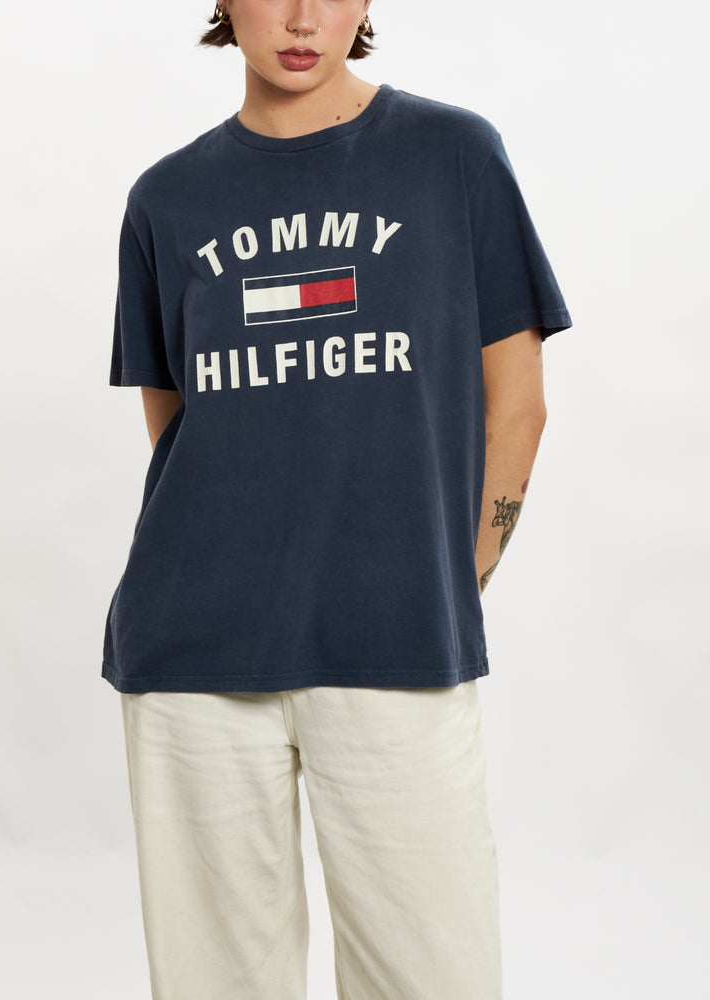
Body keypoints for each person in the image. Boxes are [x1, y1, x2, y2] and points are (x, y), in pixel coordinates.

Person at [103, 2, 572, 997]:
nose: (302, 16)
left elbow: (519, 407)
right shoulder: (166, 198)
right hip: (191, 654)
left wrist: (449, 583)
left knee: (433, 976)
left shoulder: (452, 156)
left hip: (397, 643)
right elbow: (182, 429)